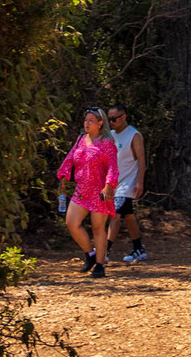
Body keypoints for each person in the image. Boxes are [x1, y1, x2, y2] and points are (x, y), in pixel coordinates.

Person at [57, 107, 118, 278]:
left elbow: (113, 166)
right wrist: (62, 178)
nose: (87, 123)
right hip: (81, 190)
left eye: (91, 120)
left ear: (100, 123)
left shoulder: (106, 142)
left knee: (98, 228)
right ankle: (90, 254)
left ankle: (100, 265)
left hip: (100, 191)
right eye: (85, 120)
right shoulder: (81, 140)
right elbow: (70, 159)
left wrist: (109, 185)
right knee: (71, 222)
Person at [106, 104, 147, 263]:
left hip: (128, 183)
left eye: (114, 119)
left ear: (123, 117)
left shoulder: (134, 135)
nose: (111, 122)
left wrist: (139, 182)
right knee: (128, 216)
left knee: (115, 214)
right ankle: (138, 248)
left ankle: (104, 251)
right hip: (114, 183)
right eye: (109, 119)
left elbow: (141, 160)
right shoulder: (110, 135)